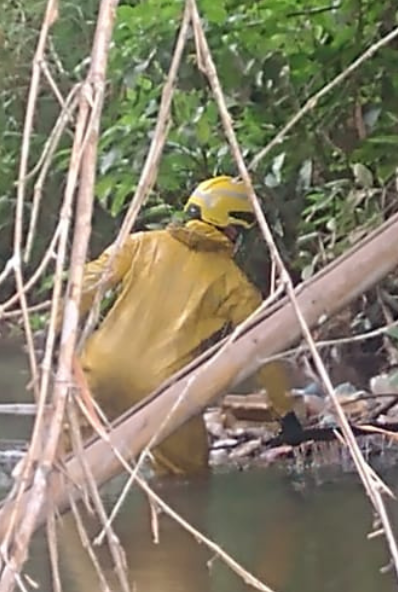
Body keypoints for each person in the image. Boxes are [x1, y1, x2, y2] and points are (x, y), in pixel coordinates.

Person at [73, 175, 298, 478]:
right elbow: (262, 349)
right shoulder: (234, 284)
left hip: (96, 370)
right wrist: (285, 413)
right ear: (232, 227)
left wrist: (62, 336)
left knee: (66, 467)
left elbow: (83, 286)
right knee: (185, 479)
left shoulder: (140, 243)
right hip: (164, 389)